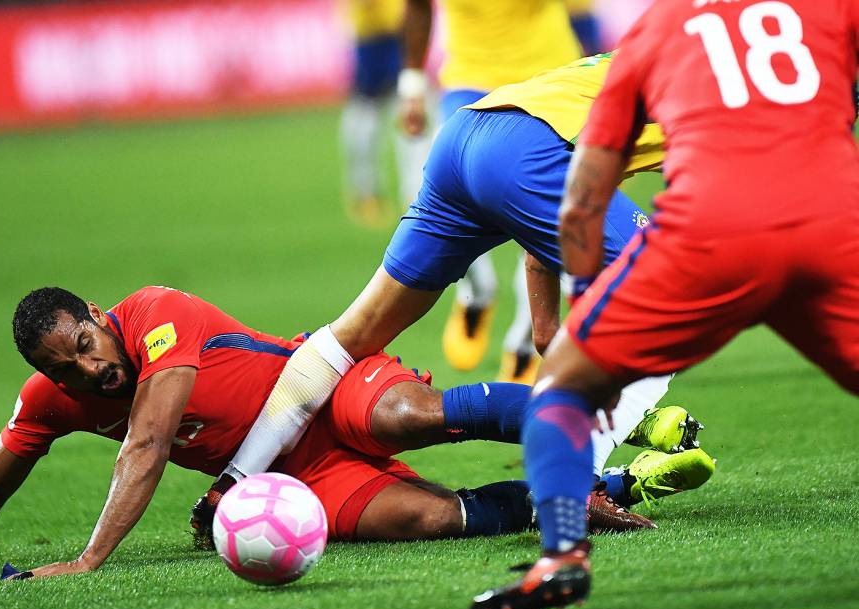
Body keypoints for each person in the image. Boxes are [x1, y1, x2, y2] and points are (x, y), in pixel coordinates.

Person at [473, 0, 859, 609]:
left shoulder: (656, 28)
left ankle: (563, 558)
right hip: (833, 220)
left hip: (709, 234)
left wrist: (586, 318)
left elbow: (582, 198)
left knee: (562, 389)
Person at [217, 52, 715, 517]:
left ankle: (236, 477)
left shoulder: (648, 61)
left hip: (466, 137)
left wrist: (545, 331)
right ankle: (580, 482)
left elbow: (563, 205)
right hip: (528, 155)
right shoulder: (733, 93)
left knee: (353, 333)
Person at [0, 286, 656, 577]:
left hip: (322, 390)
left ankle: (575, 402)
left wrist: (90, 559)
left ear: (98, 313)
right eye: (65, 369)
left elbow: (149, 443)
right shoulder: (51, 400)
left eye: (87, 341)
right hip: (297, 474)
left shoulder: (155, 315)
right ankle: (566, 493)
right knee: (425, 518)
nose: (89, 368)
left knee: (402, 418)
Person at [399, 0, 592, 383]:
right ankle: (478, 289)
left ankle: (523, 342)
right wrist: (413, 86)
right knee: (437, 194)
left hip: (551, 79)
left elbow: (583, 14)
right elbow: (418, 7)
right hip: (471, 82)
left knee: (541, 219)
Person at [338, 0, 430, 228]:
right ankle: (365, 191)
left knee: (406, 112)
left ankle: (413, 191)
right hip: (372, 34)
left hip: (399, 30)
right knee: (367, 114)